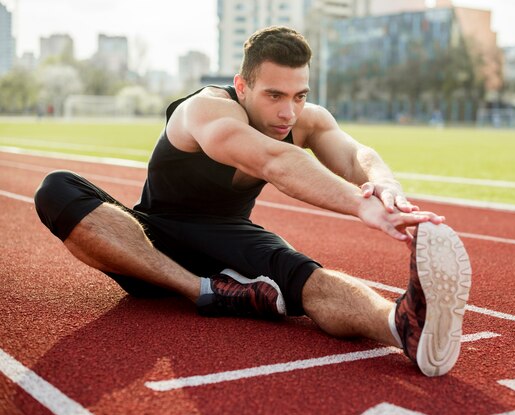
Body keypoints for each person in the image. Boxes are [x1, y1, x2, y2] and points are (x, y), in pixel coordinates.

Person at [34, 26, 471, 377]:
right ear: (242, 85)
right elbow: (274, 161)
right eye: (274, 95)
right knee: (57, 188)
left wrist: (385, 186)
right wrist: (361, 206)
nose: (288, 112)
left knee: (308, 277)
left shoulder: (304, 120)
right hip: (149, 239)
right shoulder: (205, 111)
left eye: (299, 96)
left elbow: (356, 154)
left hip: (229, 241)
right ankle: (202, 290)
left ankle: (404, 327)